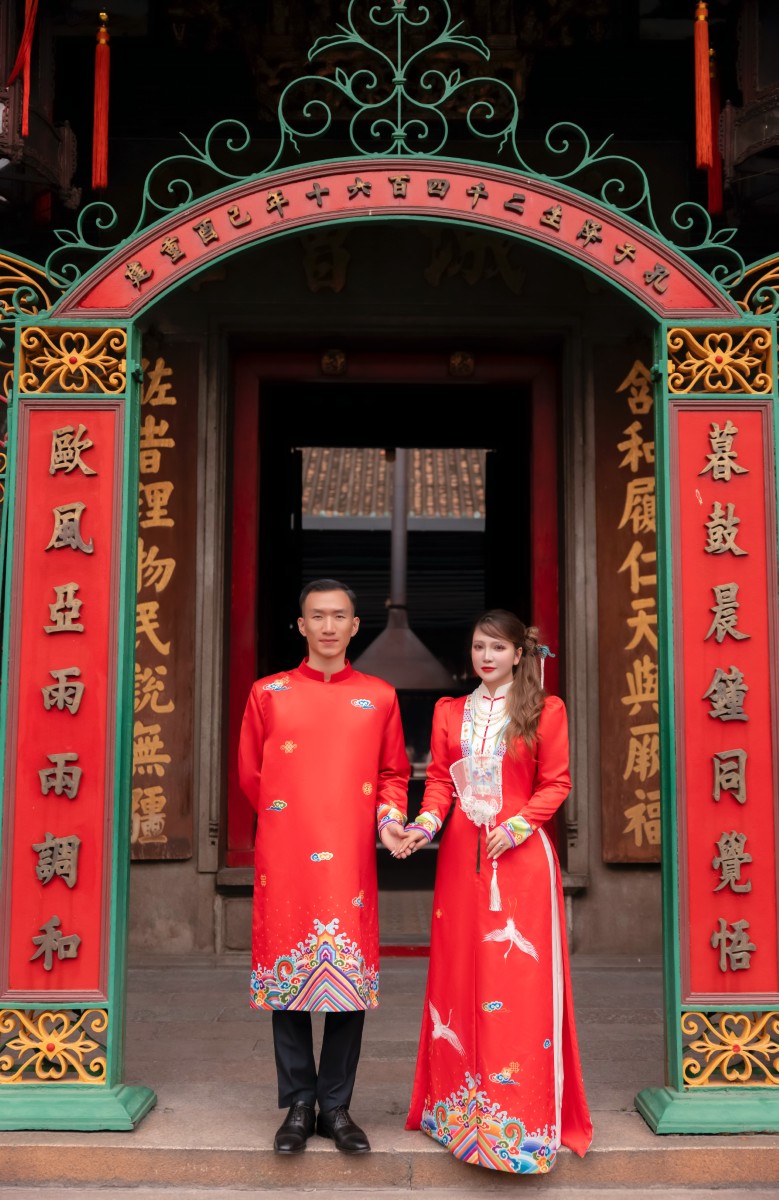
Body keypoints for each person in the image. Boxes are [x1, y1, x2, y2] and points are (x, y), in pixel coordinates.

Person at [397, 609, 592, 1174]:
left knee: (517, 981)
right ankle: (456, 1113)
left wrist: (520, 824)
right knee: (459, 975)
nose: (486, 656)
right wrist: (423, 827)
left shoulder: (545, 710)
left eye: (498, 648)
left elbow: (556, 782)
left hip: (520, 855)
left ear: (518, 654)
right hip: (462, 856)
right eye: (480, 646)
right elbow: (440, 782)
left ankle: (520, 1117)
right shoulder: (449, 711)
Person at [238, 579, 410, 1156]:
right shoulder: (269, 693)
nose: (329, 626)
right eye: (318, 616)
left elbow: (393, 773)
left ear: (355, 626)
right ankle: (298, 1105)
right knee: (287, 977)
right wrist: (290, 820)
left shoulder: (379, 696)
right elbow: (251, 775)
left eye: (339, 616)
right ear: (301, 625)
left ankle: (336, 1106)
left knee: (348, 980)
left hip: (350, 856)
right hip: (286, 853)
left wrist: (388, 821)